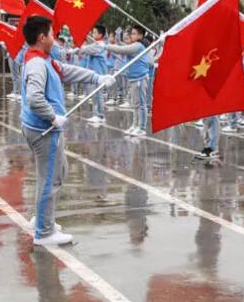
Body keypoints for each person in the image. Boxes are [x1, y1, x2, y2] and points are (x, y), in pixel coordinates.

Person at [20, 15, 113, 246]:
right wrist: (52, 117)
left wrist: (97, 78)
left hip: (43, 128)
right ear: (42, 38)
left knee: (56, 173)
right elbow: (34, 98)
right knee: (51, 179)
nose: (54, 38)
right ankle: (44, 232)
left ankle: (43, 219)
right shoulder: (37, 64)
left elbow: (66, 71)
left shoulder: (44, 60)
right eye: (51, 34)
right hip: (44, 130)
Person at [105, 25, 152, 136]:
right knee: (135, 104)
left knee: (141, 104)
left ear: (140, 36)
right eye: (132, 33)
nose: (132, 35)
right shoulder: (134, 45)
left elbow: (122, 49)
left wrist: (105, 46)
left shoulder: (138, 46)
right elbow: (122, 49)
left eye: (134, 33)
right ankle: (135, 125)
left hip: (140, 79)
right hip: (134, 79)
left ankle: (142, 128)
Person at [79, 25, 110, 125]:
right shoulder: (96, 44)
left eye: (95, 32)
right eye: (92, 32)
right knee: (95, 95)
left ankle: (100, 115)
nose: (93, 34)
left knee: (98, 95)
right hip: (95, 74)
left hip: (99, 74)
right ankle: (96, 114)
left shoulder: (99, 45)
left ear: (100, 34)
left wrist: (79, 46)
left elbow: (85, 49)